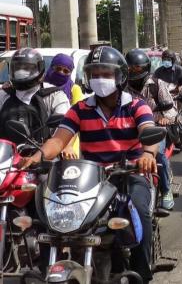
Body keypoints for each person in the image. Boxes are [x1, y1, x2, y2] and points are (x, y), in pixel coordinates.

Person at [20, 46, 157, 284]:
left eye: (105, 73)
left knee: (139, 210)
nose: (99, 79)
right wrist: (38, 156)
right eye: (94, 74)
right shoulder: (80, 109)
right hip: (93, 180)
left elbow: (148, 131)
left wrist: (147, 154)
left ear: (120, 76)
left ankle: (141, 274)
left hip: (130, 173)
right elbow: (59, 139)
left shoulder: (137, 106)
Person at [126, 48, 177, 210]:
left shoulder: (156, 84)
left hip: (154, 129)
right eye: (129, 67)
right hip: (129, 130)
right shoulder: (121, 87)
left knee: (159, 154)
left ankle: (167, 190)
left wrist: (165, 118)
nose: (133, 71)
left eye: (137, 68)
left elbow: (171, 109)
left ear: (145, 68)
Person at [0, 48, 74, 155]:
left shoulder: (54, 95)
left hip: (44, 159)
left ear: (40, 68)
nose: (21, 72)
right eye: (17, 68)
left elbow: (67, 126)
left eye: (26, 68)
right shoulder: (4, 94)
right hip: (5, 159)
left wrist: (67, 146)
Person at [44, 53, 84, 157]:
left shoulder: (74, 90)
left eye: (66, 71)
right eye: (58, 69)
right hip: (41, 142)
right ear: (51, 68)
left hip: (67, 147)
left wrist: (68, 145)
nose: (61, 73)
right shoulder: (41, 86)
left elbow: (77, 120)